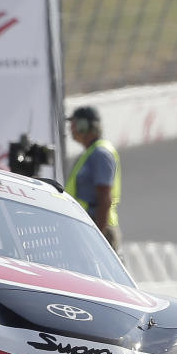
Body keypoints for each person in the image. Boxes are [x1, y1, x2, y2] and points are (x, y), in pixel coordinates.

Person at [65, 106, 121, 251]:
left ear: (84, 126)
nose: (71, 128)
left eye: (74, 124)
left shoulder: (100, 154)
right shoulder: (91, 153)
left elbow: (104, 198)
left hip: (97, 227)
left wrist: (98, 239)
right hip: (89, 226)